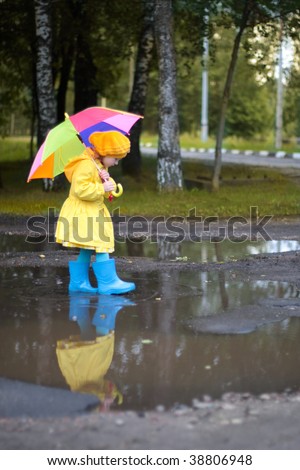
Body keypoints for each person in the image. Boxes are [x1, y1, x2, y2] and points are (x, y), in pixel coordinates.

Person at [55, 130, 135, 295]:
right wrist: (101, 187)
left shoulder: (99, 165)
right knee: (100, 243)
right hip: (83, 211)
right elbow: (80, 189)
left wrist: (107, 181)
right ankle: (108, 283)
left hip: (93, 210)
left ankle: (78, 283)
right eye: (116, 159)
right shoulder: (86, 164)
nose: (116, 163)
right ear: (105, 153)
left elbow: (107, 192)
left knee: (87, 247)